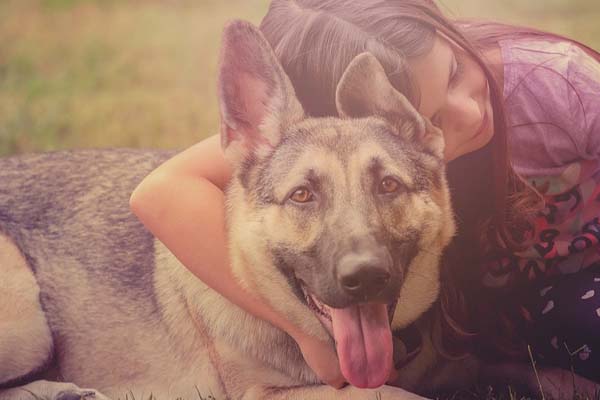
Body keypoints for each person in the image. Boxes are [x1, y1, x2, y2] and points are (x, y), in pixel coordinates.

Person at [130, 0, 600, 387]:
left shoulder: (554, 84)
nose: (471, 112)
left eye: (456, 70)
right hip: (512, 307)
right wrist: (307, 333)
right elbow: (159, 191)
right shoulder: (299, 142)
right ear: (351, 116)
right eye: (430, 115)